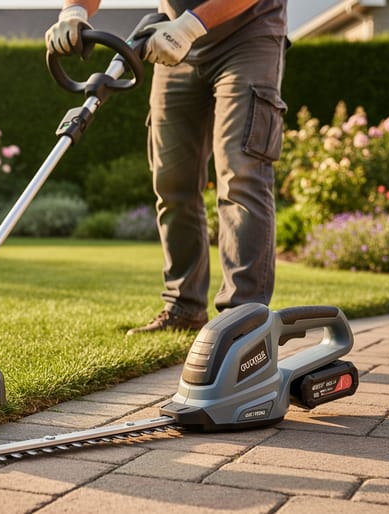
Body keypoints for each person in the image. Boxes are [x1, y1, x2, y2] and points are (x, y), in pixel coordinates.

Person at [45, 0, 288, 333]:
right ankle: (183, 308)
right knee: (172, 181)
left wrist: (191, 26)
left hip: (247, 38)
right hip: (171, 41)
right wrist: (73, 12)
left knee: (241, 175)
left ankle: (243, 319)